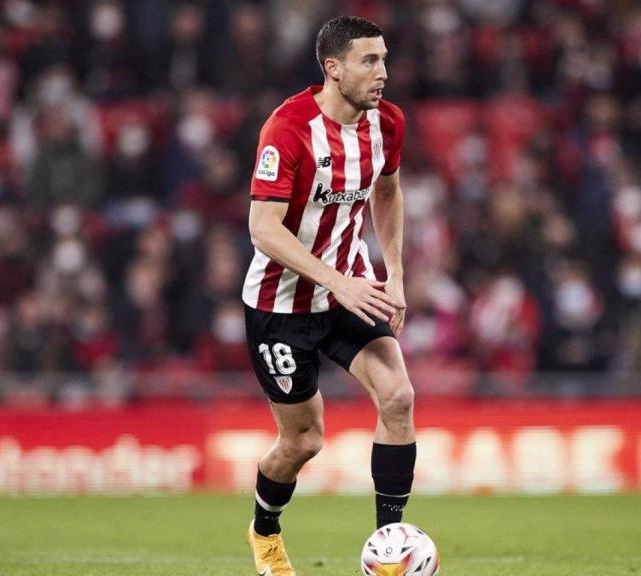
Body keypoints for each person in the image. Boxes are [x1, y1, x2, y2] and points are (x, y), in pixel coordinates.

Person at [241, 15, 415, 576]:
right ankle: (264, 532)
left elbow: (387, 191)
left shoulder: (387, 122)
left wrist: (394, 273)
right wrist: (336, 279)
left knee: (398, 397)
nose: (383, 72)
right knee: (304, 440)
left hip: (352, 291)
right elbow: (263, 229)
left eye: (384, 59)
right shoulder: (287, 128)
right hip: (280, 305)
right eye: (370, 60)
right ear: (333, 68)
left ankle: (390, 546)